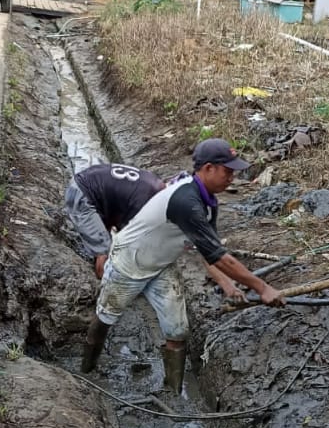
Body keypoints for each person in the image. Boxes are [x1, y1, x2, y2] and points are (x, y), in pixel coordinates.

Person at [81, 139, 285, 393]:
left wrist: (228, 285)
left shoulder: (207, 202)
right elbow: (219, 257)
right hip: (129, 261)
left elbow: (208, 249)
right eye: (228, 171)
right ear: (208, 168)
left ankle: (173, 392)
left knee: (178, 330)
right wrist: (262, 287)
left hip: (161, 265)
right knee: (106, 316)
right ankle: (87, 371)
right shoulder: (185, 200)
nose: (232, 177)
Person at [65, 162, 165, 279]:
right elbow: (126, 237)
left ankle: (99, 265)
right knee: (105, 249)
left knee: (108, 236)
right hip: (82, 194)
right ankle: (103, 283)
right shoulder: (143, 203)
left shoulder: (154, 183)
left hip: (91, 185)